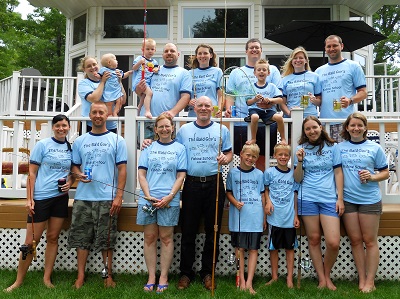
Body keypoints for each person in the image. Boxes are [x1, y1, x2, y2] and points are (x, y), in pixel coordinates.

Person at [4, 115, 74, 292]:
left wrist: (71, 181)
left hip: (60, 198)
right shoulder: (43, 145)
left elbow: (73, 172)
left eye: (64, 125)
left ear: (69, 127)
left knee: (52, 238)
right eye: (58, 125)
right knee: (30, 242)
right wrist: (29, 199)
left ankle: (47, 278)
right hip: (41, 198)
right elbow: (32, 174)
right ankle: (18, 281)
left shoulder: (70, 148)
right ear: (53, 127)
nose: (61, 128)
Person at [68, 101, 127, 289]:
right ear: (90, 115)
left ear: (107, 115)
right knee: (81, 238)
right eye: (94, 112)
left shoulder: (117, 140)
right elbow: (74, 165)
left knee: (106, 239)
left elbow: (122, 170)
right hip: (84, 197)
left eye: (101, 112)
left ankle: (107, 275)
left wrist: (118, 196)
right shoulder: (80, 141)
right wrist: (78, 174)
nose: (98, 115)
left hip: (107, 197)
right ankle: (80, 276)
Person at [176, 96, 232, 291]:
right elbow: (175, 150)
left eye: (207, 105)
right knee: (188, 230)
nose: (203, 108)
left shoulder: (221, 129)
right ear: (195, 108)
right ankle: (185, 273)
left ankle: (208, 272)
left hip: (214, 183)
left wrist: (225, 158)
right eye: (200, 105)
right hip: (191, 184)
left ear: (212, 108)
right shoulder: (184, 130)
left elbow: (229, 153)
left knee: (212, 231)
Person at [338, 112, 389, 293]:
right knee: (356, 240)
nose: (356, 128)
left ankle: (370, 281)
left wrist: (373, 177)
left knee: (370, 240)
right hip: (349, 200)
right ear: (347, 127)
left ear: (365, 128)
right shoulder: (340, 148)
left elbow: (386, 172)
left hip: (369, 199)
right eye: (352, 125)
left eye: (360, 125)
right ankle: (361, 279)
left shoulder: (374, 148)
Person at [137, 114, 187, 293]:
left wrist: (170, 196)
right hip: (148, 199)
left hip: (169, 200)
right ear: (156, 129)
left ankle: (164, 276)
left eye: (167, 126)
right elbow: (141, 174)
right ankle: (151, 276)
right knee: (149, 237)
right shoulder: (148, 148)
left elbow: (181, 175)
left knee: (166, 238)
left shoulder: (180, 149)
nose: (164, 129)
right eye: (161, 127)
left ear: (172, 128)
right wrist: (148, 195)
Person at [294, 116, 344, 290]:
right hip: (307, 198)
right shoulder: (300, 148)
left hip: (329, 198)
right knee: (314, 239)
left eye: (314, 127)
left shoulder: (333, 147)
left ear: (320, 127)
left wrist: (340, 198)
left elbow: (338, 173)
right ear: (304, 132)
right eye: (307, 129)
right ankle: (322, 279)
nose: (312, 131)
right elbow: (297, 178)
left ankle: (327, 273)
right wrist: (300, 161)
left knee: (333, 242)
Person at [226, 38, 282, 170]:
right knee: (245, 156)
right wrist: (228, 109)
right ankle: (246, 185)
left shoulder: (272, 70)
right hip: (242, 121)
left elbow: (279, 95)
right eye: (251, 47)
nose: (254, 49)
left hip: (266, 120)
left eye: (257, 47)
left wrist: (270, 103)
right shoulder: (236, 72)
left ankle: (260, 186)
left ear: (261, 50)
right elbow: (230, 95)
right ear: (246, 51)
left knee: (262, 156)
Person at [226, 143, 265, 295]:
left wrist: (263, 218)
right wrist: (235, 202)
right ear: (241, 154)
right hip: (239, 217)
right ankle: (241, 279)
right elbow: (228, 192)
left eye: (254, 156)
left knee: (253, 249)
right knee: (240, 249)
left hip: (255, 216)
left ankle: (249, 282)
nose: (250, 158)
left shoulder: (259, 174)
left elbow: (262, 196)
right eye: (248, 155)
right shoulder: (232, 173)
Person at [315, 35, 367, 141]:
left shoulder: (353, 66)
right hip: (324, 122)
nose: (331, 49)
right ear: (325, 48)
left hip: (346, 122)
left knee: (345, 156)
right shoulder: (319, 71)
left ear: (342, 46)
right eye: (328, 46)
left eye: (335, 45)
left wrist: (350, 100)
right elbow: (319, 99)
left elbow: (363, 92)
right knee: (327, 156)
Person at [264, 143, 299, 288]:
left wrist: (296, 215)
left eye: (286, 155)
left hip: (289, 217)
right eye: (280, 155)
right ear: (274, 156)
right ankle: (274, 276)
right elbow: (265, 189)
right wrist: (268, 202)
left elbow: (296, 195)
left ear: (289, 157)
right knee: (274, 248)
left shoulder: (293, 174)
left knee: (290, 249)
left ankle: (290, 278)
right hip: (274, 217)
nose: (283, 157)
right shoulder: (269, 172)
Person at [77, 56, 126, 134]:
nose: (92, 67)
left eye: (94, 64)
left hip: (110, 124)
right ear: (84, 69)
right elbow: (95, 99)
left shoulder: (111, 81)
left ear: (98, 65)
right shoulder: (83, 83)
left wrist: (119, 82)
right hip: (90, 125)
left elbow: (122, 101)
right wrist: (103, 81)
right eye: (89, 66)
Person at [245, 59, 286, 145]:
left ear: (268, 73)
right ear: (254, 73)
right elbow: (248, 102)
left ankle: (283, 139)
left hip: (268, 111)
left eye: (264, 70)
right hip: (255, 109)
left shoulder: (272, 86)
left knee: (279, 118)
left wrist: (270, 100)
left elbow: (280, 99)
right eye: (259, 70)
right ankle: (253, 138)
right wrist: (255, 99)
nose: (261, 72)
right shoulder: (251, 87)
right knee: (255, 117)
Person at [281, 46, 321, 119]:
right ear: (291, 61)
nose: (298, 60)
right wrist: (289, 114)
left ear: (306, 60)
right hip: (291, 117)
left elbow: (319, 101)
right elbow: (282, 103)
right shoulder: (285, 79)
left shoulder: (315, 76)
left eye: (301, 58)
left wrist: (315, 100)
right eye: (295, 58)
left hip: (310, 117)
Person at [188, 44, 223, 117]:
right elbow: (184, 96)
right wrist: (189, 102)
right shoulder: (189, 73)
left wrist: (219, 110)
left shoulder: (217, 71)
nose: (202, 56)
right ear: (196, 56)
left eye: (205, 53)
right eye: (199, 53)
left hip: (211, 113)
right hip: (194, 115)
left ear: (211, 55)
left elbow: (221, 95)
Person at [132, 38, 159, 118]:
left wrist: (156, 69)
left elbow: (157, 69)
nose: (150, 51)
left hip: (148, 82)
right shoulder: (140, 58)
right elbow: (134, 68)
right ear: (142, 49)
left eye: (152, 49)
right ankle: (147, 111)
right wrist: (140, 62)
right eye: (147, 49)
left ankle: (138, 111)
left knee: (143, 98)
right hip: (140, 81)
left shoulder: (154, 62)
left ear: (155, 50)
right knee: (149, 93)